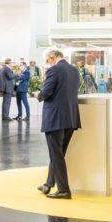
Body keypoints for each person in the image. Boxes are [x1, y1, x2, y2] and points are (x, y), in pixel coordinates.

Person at [37, 48, 81, 199]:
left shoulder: (54, 70)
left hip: (55, 118)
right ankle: (49, 184)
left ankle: (63, 190)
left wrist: (38, 94)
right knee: (58, 154)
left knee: (56, 155)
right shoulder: (74, 71)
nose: (48, 64)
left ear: (52, 57)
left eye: (48, 61)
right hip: (70, 117)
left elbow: (46, 92)